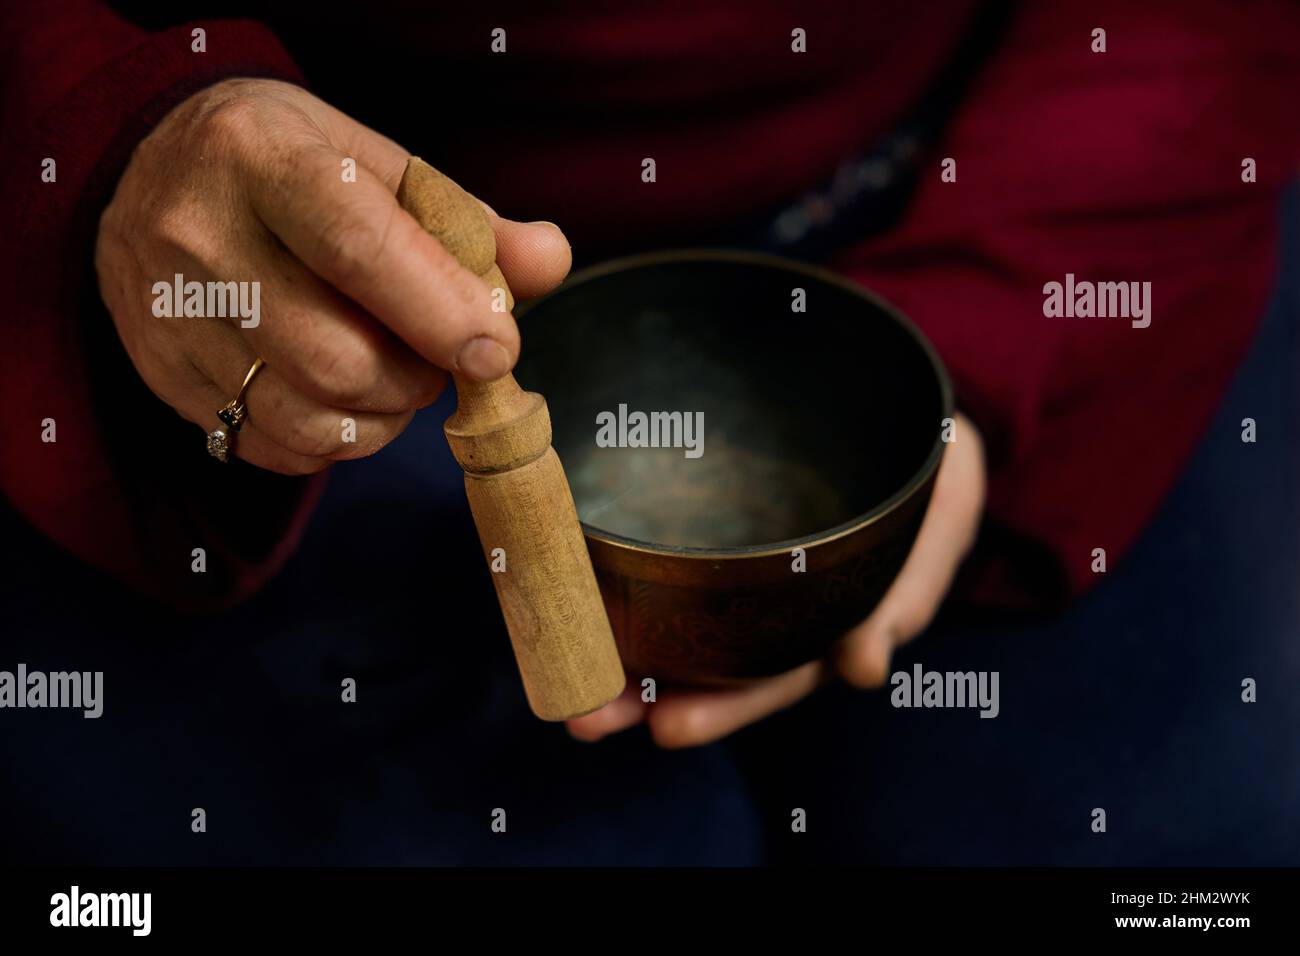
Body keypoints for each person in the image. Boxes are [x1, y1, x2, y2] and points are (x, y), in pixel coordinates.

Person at [1, 1, 1296, 864]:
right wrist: (118, 137)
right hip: (307, 270)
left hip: (998, 181)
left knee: (1188, 814)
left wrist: (985, 358)